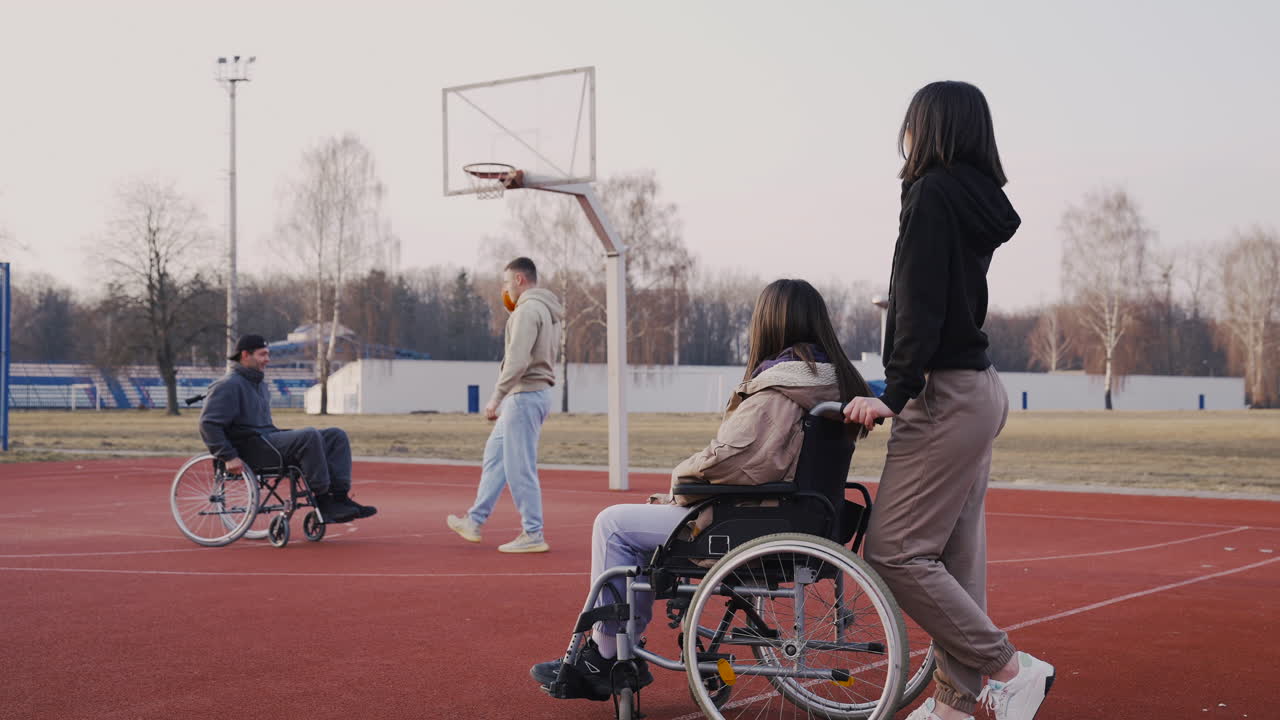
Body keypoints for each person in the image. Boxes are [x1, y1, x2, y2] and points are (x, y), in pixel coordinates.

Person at [529, 278, 875, 700]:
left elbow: (733, 459)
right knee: (638, 529)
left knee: (614, 525)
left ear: (769, 325)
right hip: (801, 516)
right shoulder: (832, 383)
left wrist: (682, 479)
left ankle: (606, 655)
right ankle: (618, 651)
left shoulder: (780, 387)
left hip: (751, 517)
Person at [843, 81, 1055, 720]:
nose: (902, 137)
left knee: (894, 550)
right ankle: (958, 706)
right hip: (977, 388)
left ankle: (1011, 669)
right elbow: (937, 294)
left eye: (909, 125)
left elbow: (927, 304)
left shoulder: (931, 195)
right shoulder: (974, 200)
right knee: (958, 559)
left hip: (942, 392)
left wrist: (895, 391)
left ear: (928, 129)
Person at [447, 257, 564, 553]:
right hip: (531, 395)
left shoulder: (527, 311)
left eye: (506, 282)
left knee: (519, 467)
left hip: (523, 396)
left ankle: (533, 533)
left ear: (520, 280)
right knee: (496, 457)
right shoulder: (548, 312)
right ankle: (474, 520)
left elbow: (517, 360)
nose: (505, 289)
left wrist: (496, 396)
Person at [200, 334, 377, 524]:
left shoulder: (259, 384)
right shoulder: (228, 385)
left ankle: (340, 499)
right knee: (308, 435)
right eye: (263, 355)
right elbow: (208, 424)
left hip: (267, 439)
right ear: (245, 355)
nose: (267, 359)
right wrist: (228, 456)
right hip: (250, 449)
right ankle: (323, 501)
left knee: (335, 435)